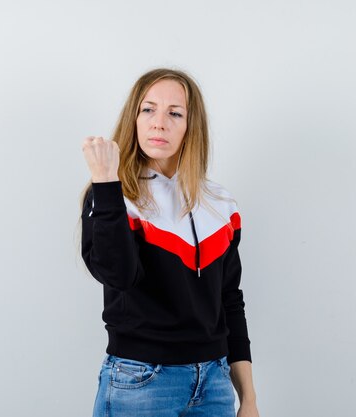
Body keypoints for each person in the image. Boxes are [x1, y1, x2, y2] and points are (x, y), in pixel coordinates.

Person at [78, 68, 259, 417]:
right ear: (134, 117)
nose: (159, 122)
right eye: (148, 109)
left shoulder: (221, 206)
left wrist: (248, 398)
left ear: (192, 127)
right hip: (142, 382)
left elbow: (230, 301)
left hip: (215, 383)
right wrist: (105, 182)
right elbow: (118, 275)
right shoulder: (114, 197)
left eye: (175, 113)